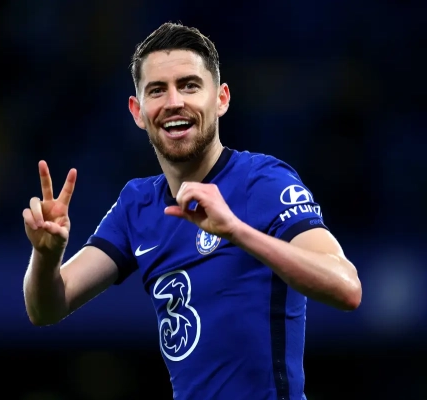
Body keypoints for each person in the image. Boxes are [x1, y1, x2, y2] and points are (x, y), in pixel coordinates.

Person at [22, 22, 362, 400]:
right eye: (157, 90)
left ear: (221, 99)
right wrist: (46, 257)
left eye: (189, 85)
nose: (173, 102)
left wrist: (236, 231)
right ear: (137, 111)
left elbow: (347, 288)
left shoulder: (262, 181)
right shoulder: (137, 205)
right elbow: (46, 309)